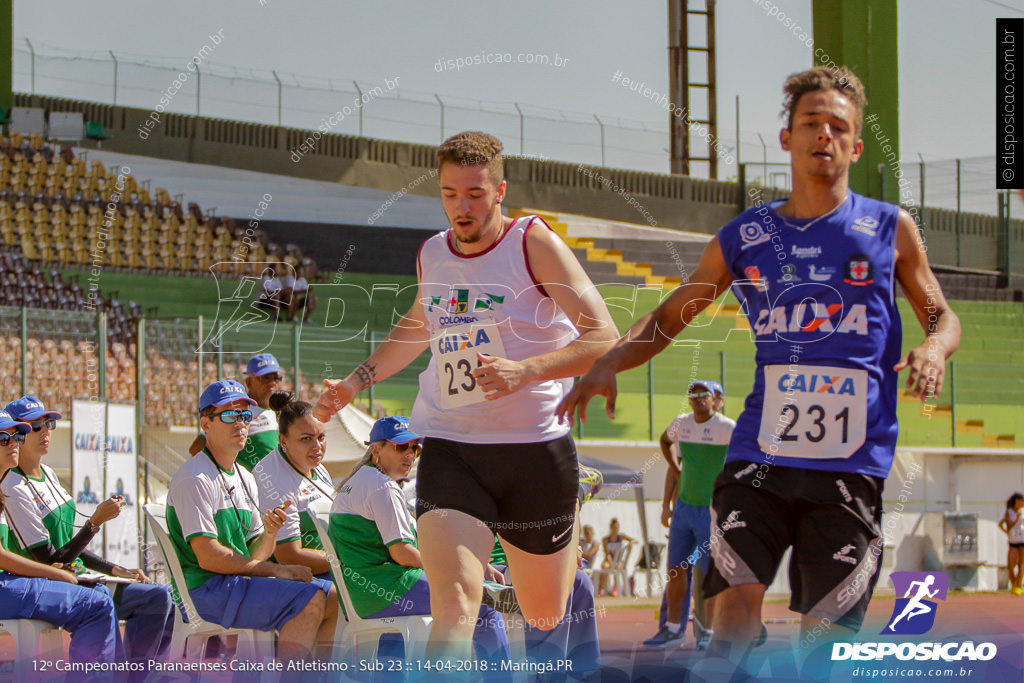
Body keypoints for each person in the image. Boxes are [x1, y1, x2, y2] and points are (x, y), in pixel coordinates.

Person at [558, 66, 961, 669]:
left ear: (854, 144)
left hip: (851, 468)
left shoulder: (889, 228)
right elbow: (671, 316)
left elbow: (943, 316)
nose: (824, 134)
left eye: (838, 126)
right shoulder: (745, 236)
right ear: (787, 139)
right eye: (810, 123)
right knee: (731, 620)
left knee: (822, 649)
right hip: (759, 460)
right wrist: (612, 358)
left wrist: (933, 349)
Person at [314, 131, 618, 659]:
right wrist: (356, 381)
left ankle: (571, 498)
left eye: (474, 193)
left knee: (545, 610)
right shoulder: (432, 253)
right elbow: (417, 326)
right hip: (452, 446)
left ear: (500, 190)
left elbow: (604, 338)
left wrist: (526, 370)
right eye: (450, 193)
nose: (462, 206)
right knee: (454, 602)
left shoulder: (532, 244)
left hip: (533, 451)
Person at [166, 380, 337, 662]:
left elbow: (254, 552)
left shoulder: (244, 475)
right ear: (205, 424)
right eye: (230, 416)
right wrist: (277, 570)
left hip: (233, 583)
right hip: (205, 590)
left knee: (330, 596)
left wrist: (269, 534)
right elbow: (209, 558)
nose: (241, 425)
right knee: (310, 599)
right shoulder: (194, 478)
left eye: (246, 416)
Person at [1, 395, 175, 668]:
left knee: (161, 596)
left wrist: (115, 569)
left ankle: (135, 675)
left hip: (68, 574)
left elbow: (71, 545)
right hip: (48, 578)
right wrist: (94, 524)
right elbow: (49, 559)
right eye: (34, 427)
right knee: (138, 601)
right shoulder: (12, 487)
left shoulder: (48, 473)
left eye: (48, 424)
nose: (45, 431)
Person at [328, 416, 509, 662]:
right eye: (401, 446)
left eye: (415, 448)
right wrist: (461, 570)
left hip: (368, 595)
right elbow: (402, 553)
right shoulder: (382, 487)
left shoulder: (359, 481)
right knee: (485, 609)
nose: (410, 454)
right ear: (375, 449)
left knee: (399, 632)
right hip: (386, 589)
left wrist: (470, 563)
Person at [0, 409, 120, 678]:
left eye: (17, 437)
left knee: (100, 595)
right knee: (96, 605)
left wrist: (111, 569)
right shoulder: (12, 487)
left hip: (7, 583)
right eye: (3, 438)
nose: (13, 444)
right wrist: (53, 572)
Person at [645, 380, 735, 651]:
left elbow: (750, 456)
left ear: (715, 399)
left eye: (704, 395)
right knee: (675, 570)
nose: (699, 399)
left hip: (711, 510)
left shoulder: (727, 427)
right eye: (693, 395)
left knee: (708, 573)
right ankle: (672, 629)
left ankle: (707, 631)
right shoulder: (681, 423)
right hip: (684, 508)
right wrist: (674, 473)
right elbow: (665, 442)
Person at [253, 393, 333, 578]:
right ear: (283, 440)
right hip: (304, 578)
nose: (317, 446)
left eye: (321, 437)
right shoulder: (272, 478)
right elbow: (289, 555)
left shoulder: (316, 467)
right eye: (306, 439)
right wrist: (348, 562)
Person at [189, 352, 285, 472]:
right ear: (249, 382)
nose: (273, 383)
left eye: (277, 377)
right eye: (266, 377)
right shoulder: (239, 412)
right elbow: (196, 448)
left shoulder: (274, 411)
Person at [597, 518, 635, 597]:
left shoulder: (621, 537)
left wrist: (630, 544)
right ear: (611, 528)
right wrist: (611, 562)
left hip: (619, 560)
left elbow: (634, 540)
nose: (616, 530)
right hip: (609, 560)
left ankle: (616, 587)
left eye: (617, 528)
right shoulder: (605, 539)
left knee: (618, 567)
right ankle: (601, 588)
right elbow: (606, 553)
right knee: (605, 566)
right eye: (614, 528)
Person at [999, 492, 1024, 595]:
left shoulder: (1023, 511)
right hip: (1013, 541)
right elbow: (1006, 525)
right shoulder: (1009, 512)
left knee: (1021, 564)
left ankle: (1018, 586)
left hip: (1022, 539)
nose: (1021, 503)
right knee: (1010, 565)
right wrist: (1016, 519)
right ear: (1015, 501)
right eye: (1019, 501)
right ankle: (1013, 583)